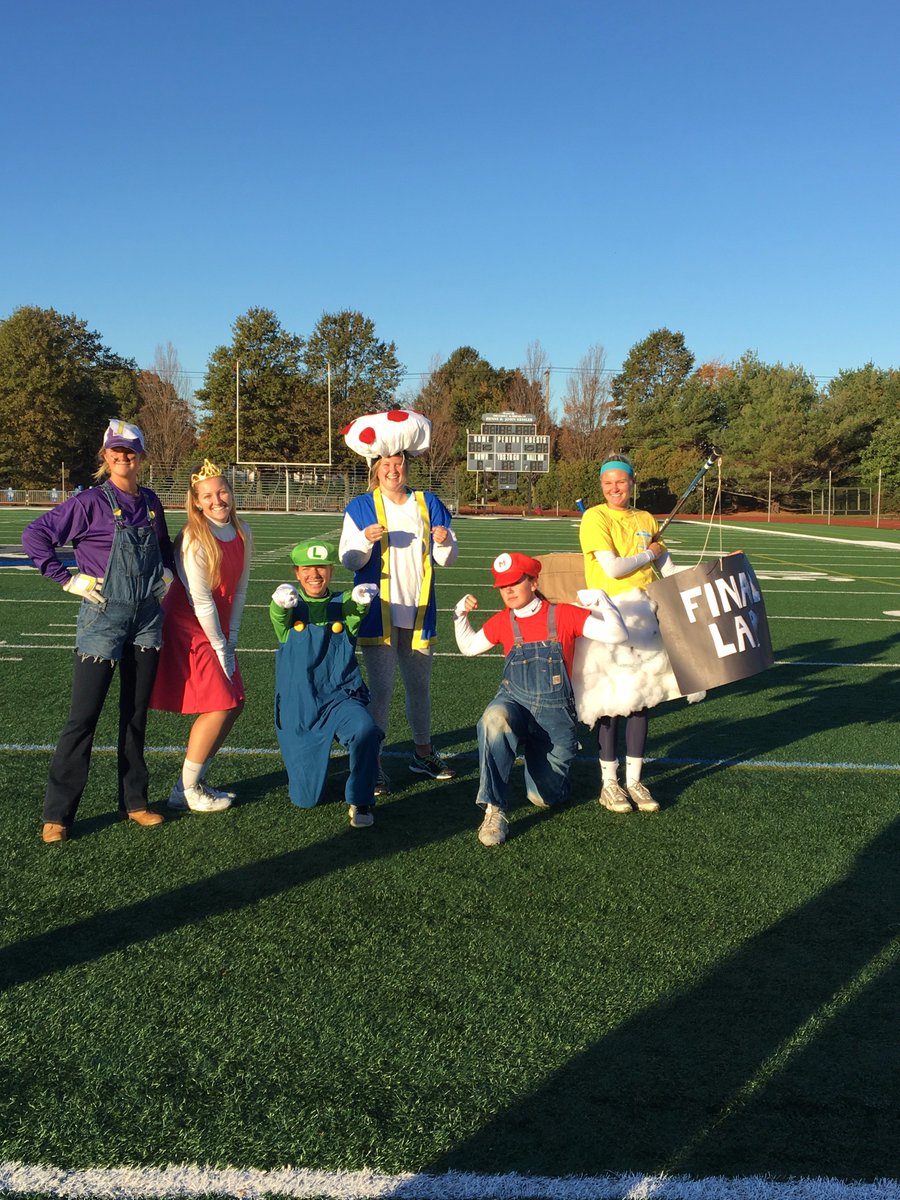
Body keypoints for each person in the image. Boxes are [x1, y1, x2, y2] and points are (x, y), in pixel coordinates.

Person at [22, 419, 174, 843]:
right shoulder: (89, 502)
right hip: (103, 618)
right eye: (116, 450)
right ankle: (59, 814)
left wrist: (168, 572)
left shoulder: (151, 501)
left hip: (147, 620)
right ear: (105, 455)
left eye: (131, 450)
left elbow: (163, 547)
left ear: (141, 456)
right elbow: (35, 534)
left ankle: (135, 801)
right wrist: (65, 578)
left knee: (136, 714)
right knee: (83, 717)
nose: (124, 457)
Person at [453, 551, 628, 846]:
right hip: (514, 704)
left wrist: (602, 599)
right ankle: (494, 809)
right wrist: (459, 615)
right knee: (494, 719)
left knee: (545, 798)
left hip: (554, 720)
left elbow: (617, 633)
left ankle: (545, 770)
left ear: (533, 583)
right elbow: (469, 647)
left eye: (515, 583)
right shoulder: (503, 621)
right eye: (502, 586)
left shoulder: (563, 614)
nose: (508, 591)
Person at [339, 409, 458, 793]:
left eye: (399, 463)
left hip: (420, 612)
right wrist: (364, 541)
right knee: (382, 690)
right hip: (379, 613)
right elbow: (348, 560)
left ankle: (422, 752)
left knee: (419, 687)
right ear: (375, 469)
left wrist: (444, 542)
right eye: (386, 464)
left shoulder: (428, 502)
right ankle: (371, 764)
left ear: (407, 465)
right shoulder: (360, 507)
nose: (393, 470)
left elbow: (447, 559)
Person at [578, 456, 685, 814]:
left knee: (641, 701)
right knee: (609, 702)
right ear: (601, 485)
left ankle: (635, 780)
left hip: (644, 616)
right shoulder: (595, 517)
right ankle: (609, 783)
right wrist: (648, 553)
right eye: (608, 483)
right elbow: (613, 567)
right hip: (608, 616)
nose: (614, 488)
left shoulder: (646, 519)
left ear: (632, 482)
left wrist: (717, 569)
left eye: (620, 481)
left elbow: (669, 570)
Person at [150, 459, 252, 813]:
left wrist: (231, 637)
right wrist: (220, 645)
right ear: (196, 502)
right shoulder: (194, 537)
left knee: (235, 703)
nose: (217, 500)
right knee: (220, 704)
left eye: (222, 491)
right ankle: (187, 790)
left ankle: (191, 783)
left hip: (217, 626)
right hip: (188, 623)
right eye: (207, 495)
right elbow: (200, 598)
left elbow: (240, 590)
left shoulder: (242, 530)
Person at [270, 538, 383, 828]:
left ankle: (361, 799)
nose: (314, 574)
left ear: (331, 570)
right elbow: (279, 615)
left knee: (366, 730)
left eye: (321, 567)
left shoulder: (343, 603)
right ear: (296, 573)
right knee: (306, 799)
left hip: (340, 697)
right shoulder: (290, 605)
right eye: (306, 569)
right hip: (300, 705)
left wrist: (361, 601)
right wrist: (279, 602)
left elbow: (356, 611)